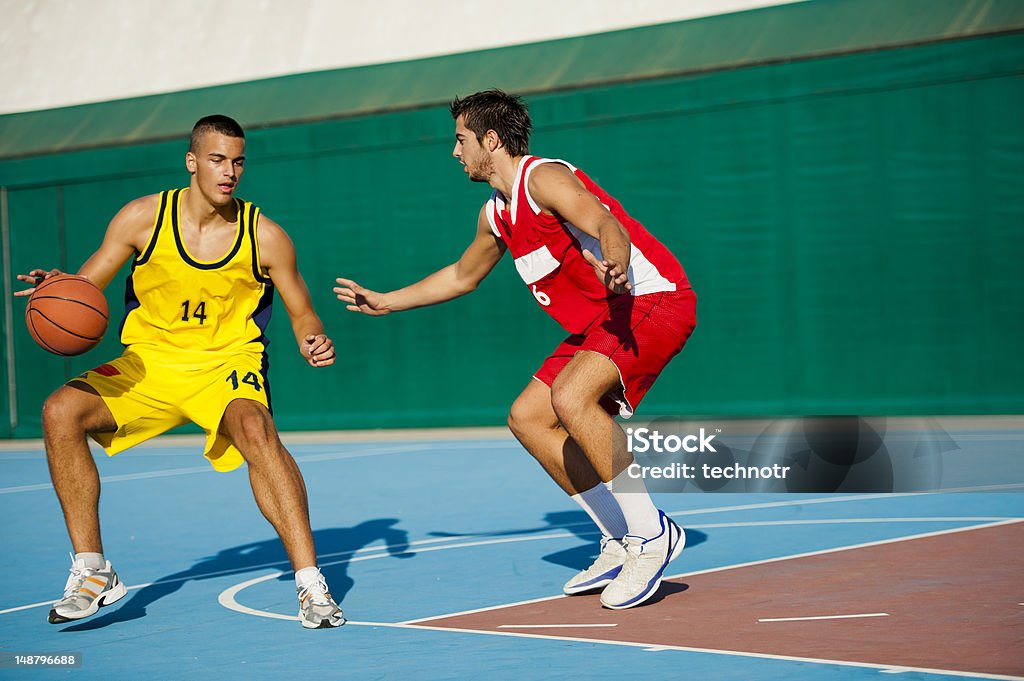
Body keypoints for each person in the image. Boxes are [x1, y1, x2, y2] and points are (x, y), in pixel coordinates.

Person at [334, 90, 697, 609]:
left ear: (490, 140)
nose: (454, 152)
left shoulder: (544, 178)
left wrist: (615, 261)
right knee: (528, 417)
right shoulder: (496, 214)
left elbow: (605, 223)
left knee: (572, 398)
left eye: (460, 140)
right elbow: (462, 275)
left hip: (653, 298)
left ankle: (652, 534)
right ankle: (622, 538)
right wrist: (387, 301)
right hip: (603, 318)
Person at [16, 115, 345, 629]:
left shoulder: (265, 236)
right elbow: (89, 281)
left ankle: (310, 584)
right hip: (149, 365)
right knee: (60, 410)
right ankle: (92, 570)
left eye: (237, 161)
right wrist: (60, 290)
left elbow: (301, 308)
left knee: (257, 431)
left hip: (227, 364)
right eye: (217, 159)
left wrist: (312, 336)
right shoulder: (142, 218)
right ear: (192, 162)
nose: (229, 171)